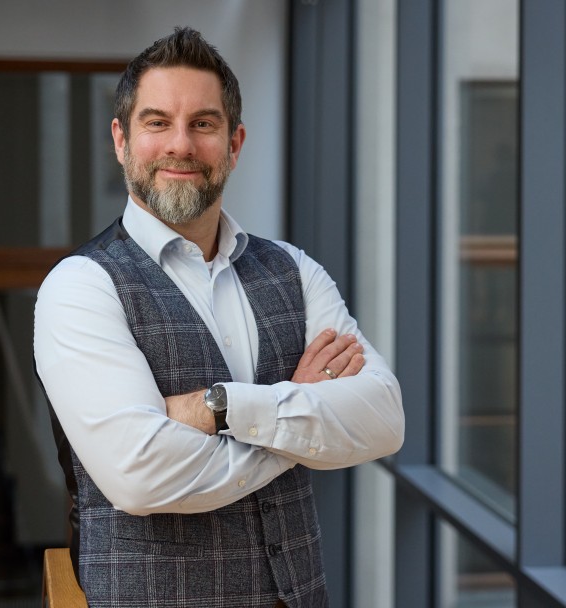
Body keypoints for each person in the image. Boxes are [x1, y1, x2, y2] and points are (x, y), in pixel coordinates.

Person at [34, 26, 404, 608]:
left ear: (234, 144)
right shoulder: (81, 287)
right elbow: (139, 475)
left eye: (203, 124)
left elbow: (382, 419)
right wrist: (298, 414)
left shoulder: (294, 270)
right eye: (157, 122)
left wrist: (220, 408)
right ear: (121, 141)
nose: (180, 144)